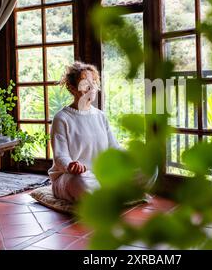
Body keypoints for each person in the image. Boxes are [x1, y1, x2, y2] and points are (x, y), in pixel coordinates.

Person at [49, 61, 157, 203]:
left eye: (94, 82)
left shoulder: (100, 116)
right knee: (80, 182)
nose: (91, 87)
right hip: (72, 178)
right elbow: (60, 156)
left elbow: (114, 148)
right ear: (72, 88)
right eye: (85, 83)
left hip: (102, 176)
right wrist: (70, 166)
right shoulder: (62, 118)